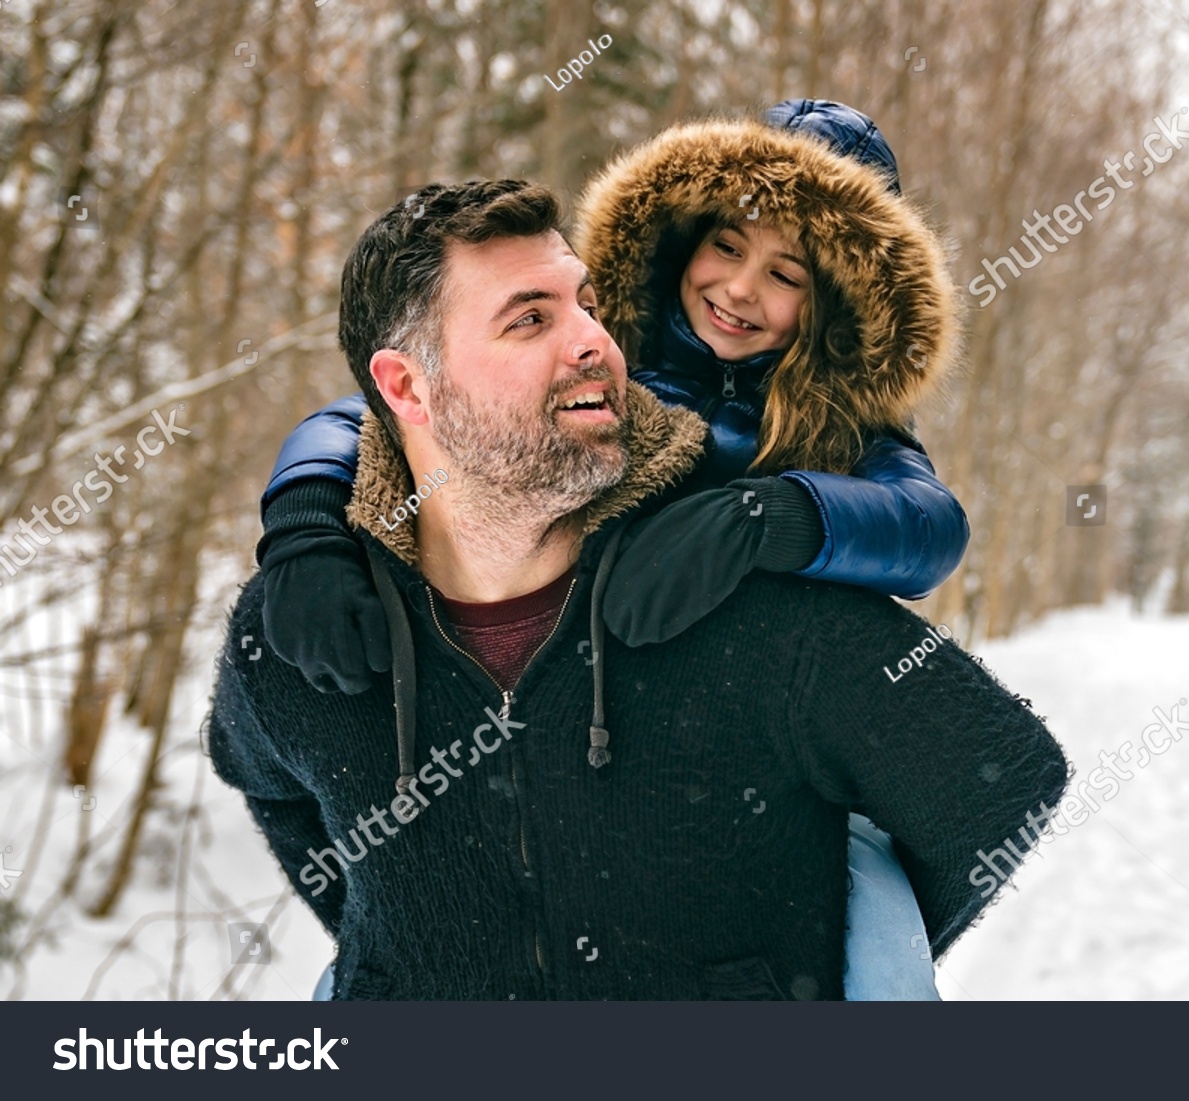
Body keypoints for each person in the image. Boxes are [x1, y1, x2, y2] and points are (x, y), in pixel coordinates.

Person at [207, 178, 1068, 1000]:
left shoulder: (766, 594)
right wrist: (305, 522)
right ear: (407, 386)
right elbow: (267, 776)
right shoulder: (308, 615)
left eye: (585, 303)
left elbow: (996, 777)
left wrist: (790, 973)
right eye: (532, 317)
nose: (592, 338)